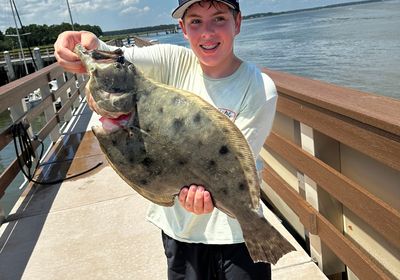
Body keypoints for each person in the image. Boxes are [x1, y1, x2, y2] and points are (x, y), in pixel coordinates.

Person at [54, 0, 278, 279]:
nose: (207, 32)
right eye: (195, 21)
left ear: (238, 23)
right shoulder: (172, 61)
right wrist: (80, 41)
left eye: (219, 18)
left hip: (235, 235)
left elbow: (235, 163)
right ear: (183, 28)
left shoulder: (259, 88)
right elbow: (111, 57)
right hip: (178, 231)